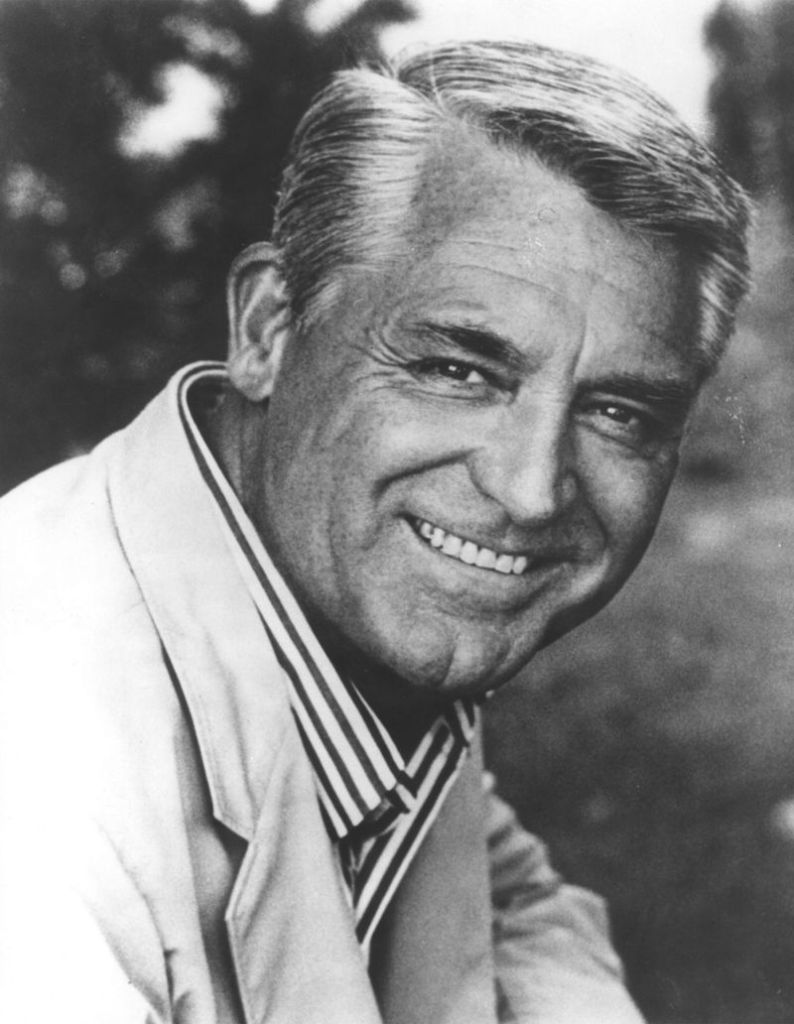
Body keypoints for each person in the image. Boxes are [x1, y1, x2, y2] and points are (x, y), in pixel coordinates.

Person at [0, 39, 749, 1024]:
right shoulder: (42, 773)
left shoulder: (337, 619)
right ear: (268, 327)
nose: (530, 490)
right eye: (456, 369)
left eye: (618, 413)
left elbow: (510, 899)